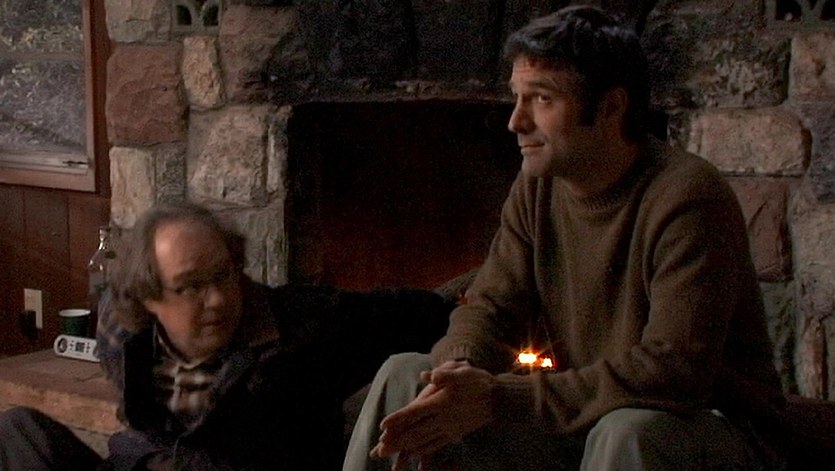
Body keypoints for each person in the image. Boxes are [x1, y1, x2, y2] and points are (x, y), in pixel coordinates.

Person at [343, 5, 788, 471]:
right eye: (517, 97)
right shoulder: (538, 186)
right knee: (407, 374)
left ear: (612, 106)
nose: (516, 121)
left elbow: (674, 372)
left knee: (628, 431)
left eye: (542, 99)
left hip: (712, 429)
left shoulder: (687, 195)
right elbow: (490, 306)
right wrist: (457, 371)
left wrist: (496, 397)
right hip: (592, 418)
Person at [0, 202, 453, 470]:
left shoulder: (306, 324)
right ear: (149, 298)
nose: (217, 299)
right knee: (17, 430)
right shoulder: (123, 330)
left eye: (224, 274)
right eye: (191, 286)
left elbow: (429, 312)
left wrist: (474, 316)